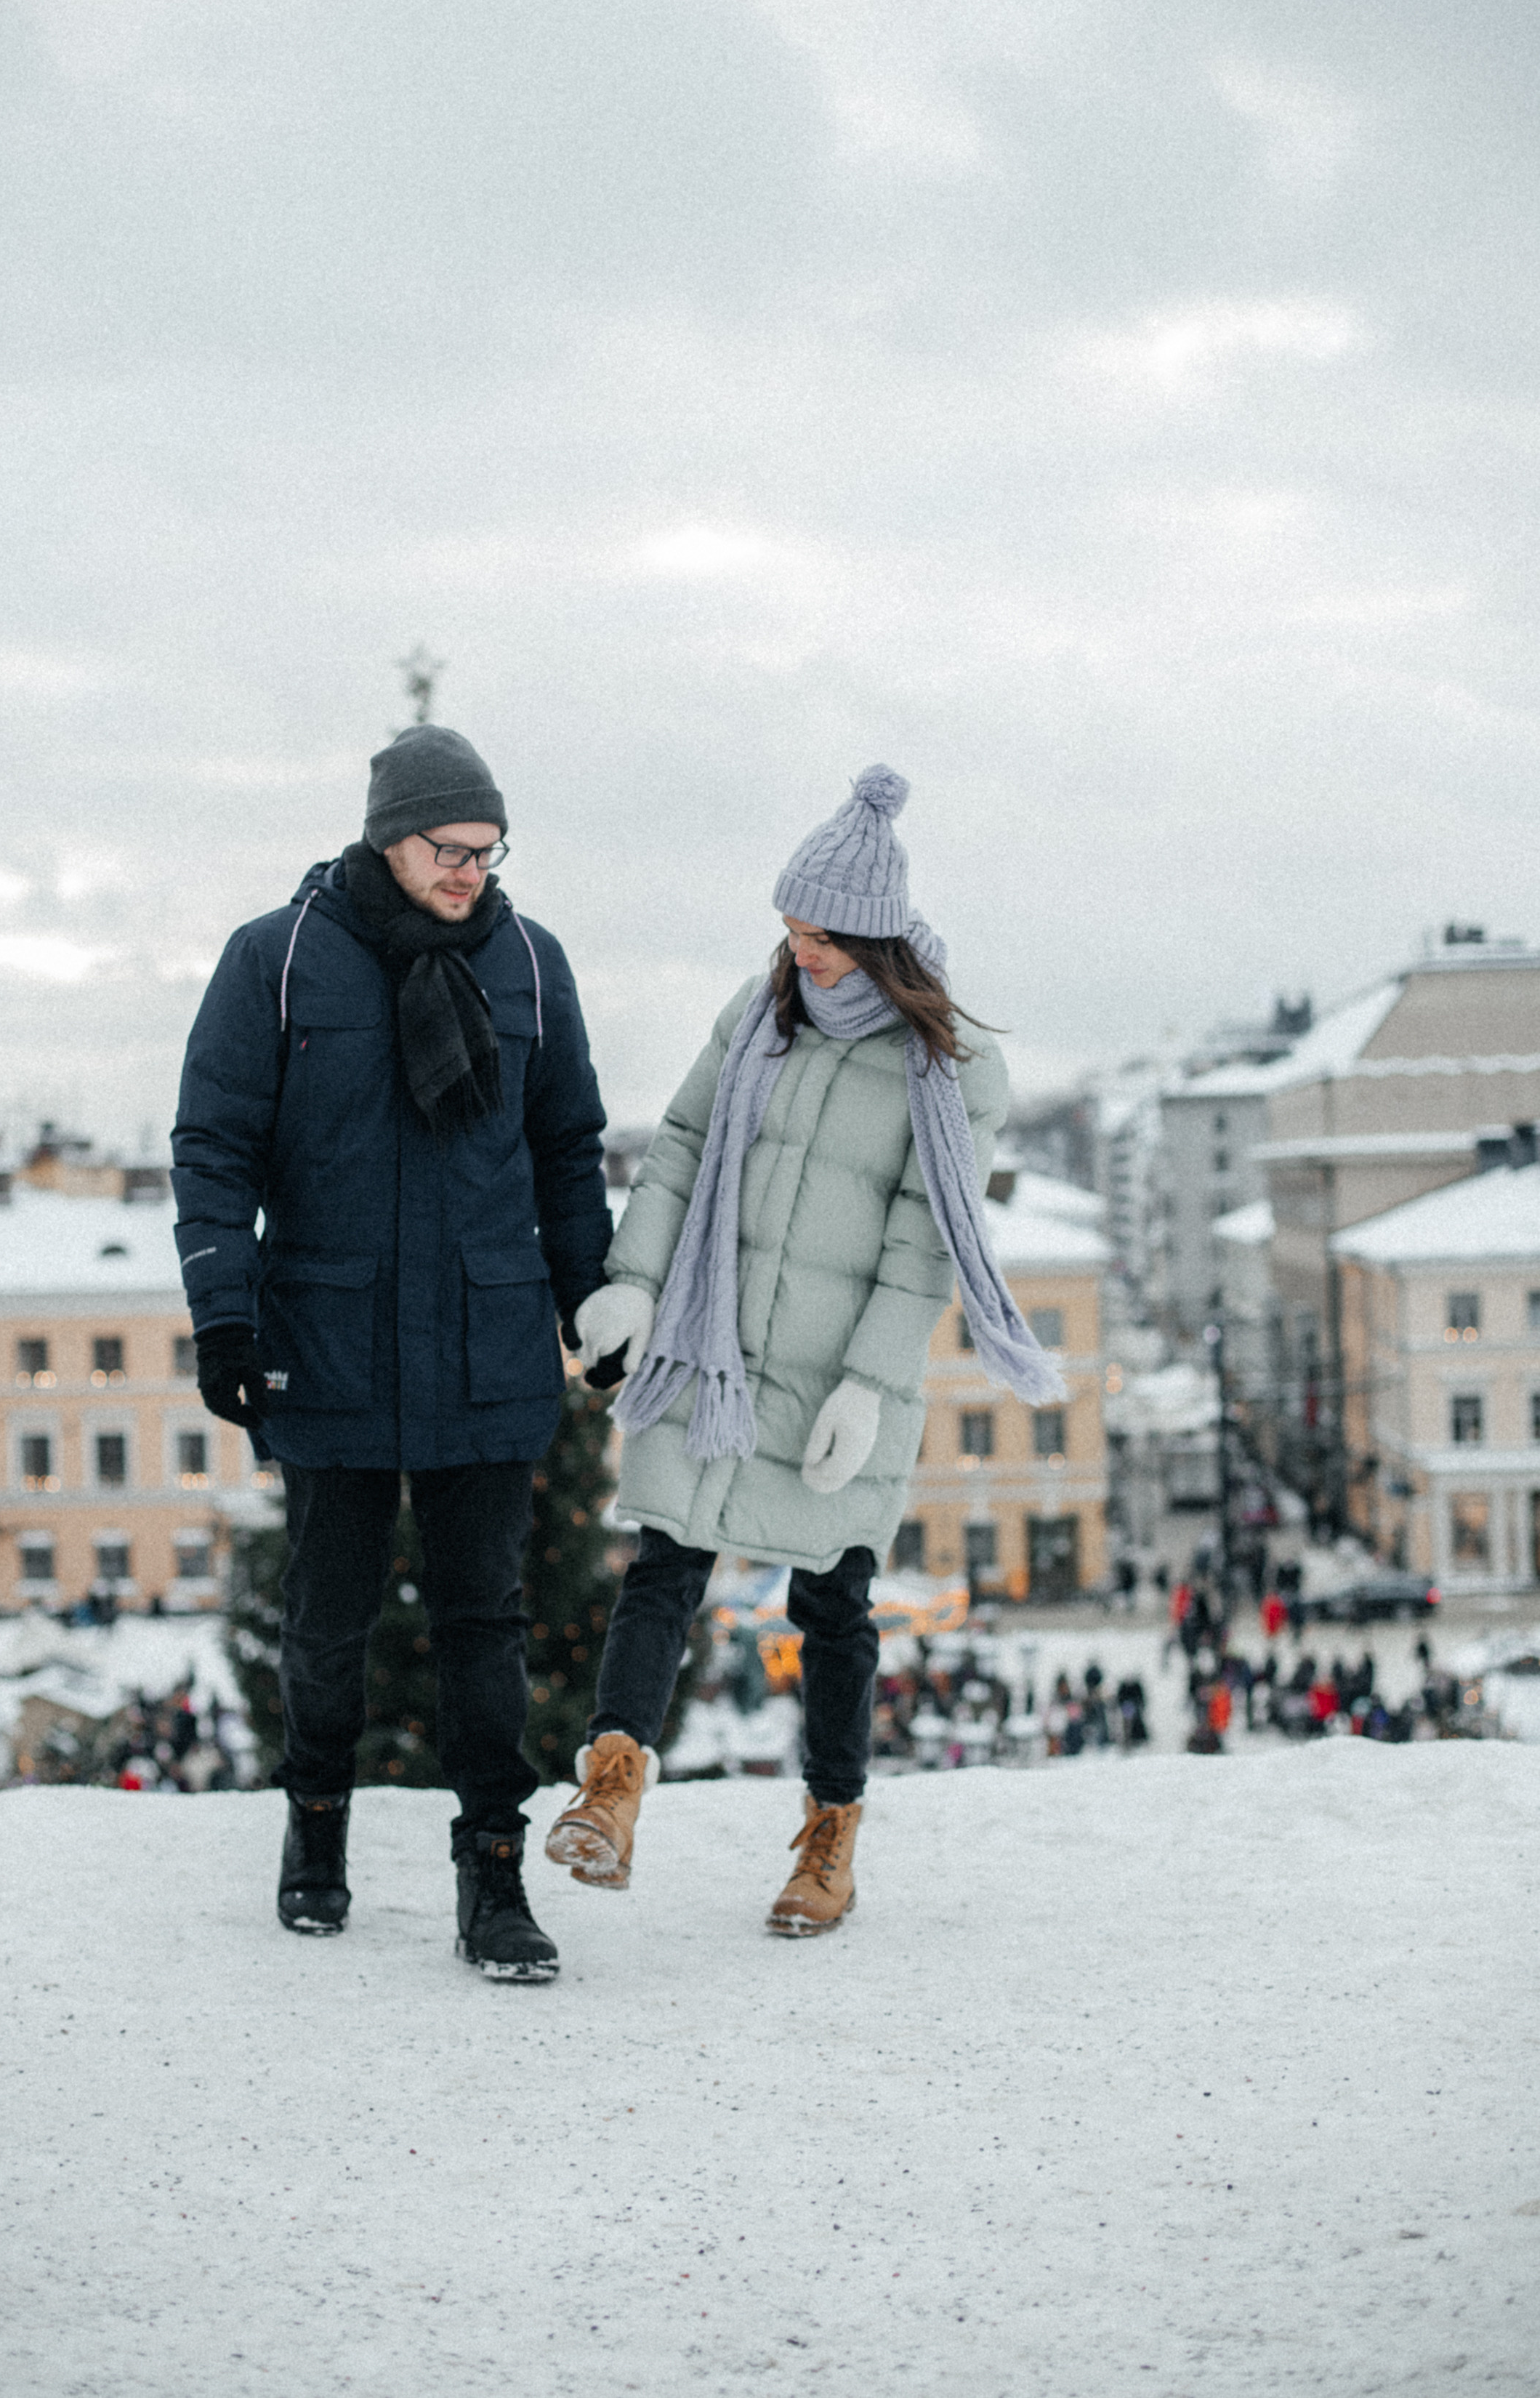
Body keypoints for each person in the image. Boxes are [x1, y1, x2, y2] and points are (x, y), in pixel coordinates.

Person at [541, 765, 1063, 1934]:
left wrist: (869, 1386)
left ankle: (829, 1842)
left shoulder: (949, 1068)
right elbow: (680, 1148)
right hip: (713, 1343)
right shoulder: (760, 1010)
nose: (799, 953)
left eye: (820, 937)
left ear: (875, 938)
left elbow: (923, 1245)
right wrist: (633, 1284)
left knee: (832, 1605)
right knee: (664, 1563)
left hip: (836, 1376)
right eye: (788, 930)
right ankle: (609, 1793)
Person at [172, 725, 610, 1980]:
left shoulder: (530, 962)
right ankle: (316, 1829)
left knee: (487, 1624)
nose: (470, 871)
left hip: (486, 1341)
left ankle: (494, 1880)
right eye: (448, 849)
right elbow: (214, 1146)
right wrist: (225, 1318)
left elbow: (567, 1149)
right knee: (327, 1620)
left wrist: (593, 1301)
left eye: (487, 850)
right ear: (387, 839)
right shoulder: (277, 958)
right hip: (331, 1339)